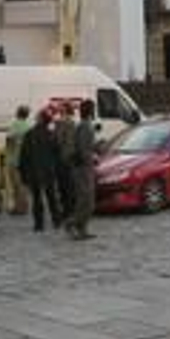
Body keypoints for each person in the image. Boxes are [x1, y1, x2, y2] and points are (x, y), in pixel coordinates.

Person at [18, 108, 61, 232]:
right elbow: (57, 153)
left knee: (37, 199)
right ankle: (56, 220)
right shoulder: (51, 134)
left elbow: (24, 155)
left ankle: (39, 224)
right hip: (48, 171)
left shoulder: (30, 134)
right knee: (51, 197)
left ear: (40, 119)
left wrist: (23, 173)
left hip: (34, 171)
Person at [66, 99, 99, 240]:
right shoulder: (85, 126)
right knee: (86, 200)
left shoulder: (86, 125)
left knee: (88, 200)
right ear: (90, 111)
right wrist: (93, 158)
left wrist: (96, 148)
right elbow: (83, 150)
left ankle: (82, 228)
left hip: (84, 167)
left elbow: (86, 147)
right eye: (93, 108)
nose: (94, 111)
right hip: (82, 169)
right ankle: (71, 223)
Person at [4, 104, 32, 216]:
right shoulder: (29, 126)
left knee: (16, 185)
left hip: (14, 159)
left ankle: (18, 208)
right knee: (24, 185)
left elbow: (9, 139)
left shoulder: (15, 124)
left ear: (18, 113)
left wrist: (8, 150)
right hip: (25, 161)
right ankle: (24, 206)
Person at [53, 104, 78, 222]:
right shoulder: (73, 123)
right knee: (70, 185)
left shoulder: (61, 123)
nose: (59, 112)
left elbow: (58, 140)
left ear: (64, 111)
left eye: (61, 110)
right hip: (71, 157)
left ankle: (66, 211)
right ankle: (71, 209)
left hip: (62, 158)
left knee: (63, 186)